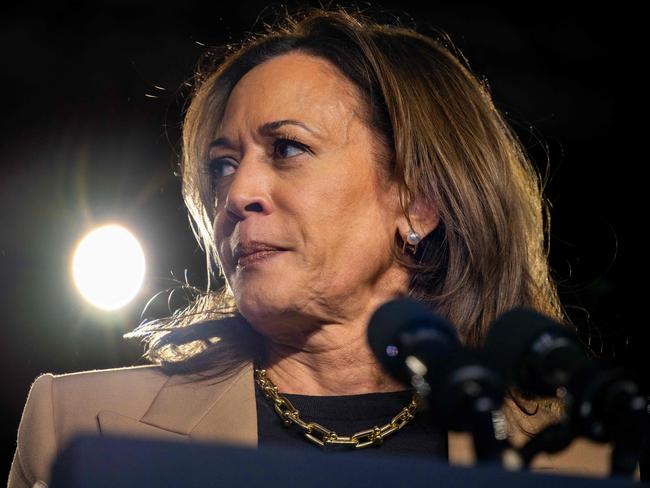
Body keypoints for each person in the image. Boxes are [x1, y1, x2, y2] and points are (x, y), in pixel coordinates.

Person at [8, 6, 617, 487]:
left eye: (288, 149)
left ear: (418, 203)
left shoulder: (586, 456)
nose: (238, 191)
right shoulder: (74, 422)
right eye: (222, 165)